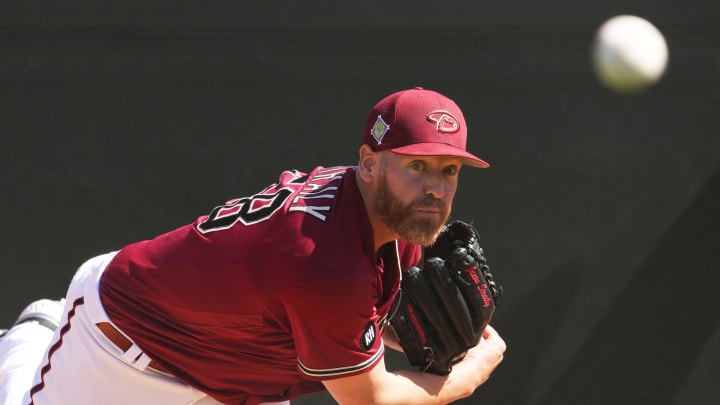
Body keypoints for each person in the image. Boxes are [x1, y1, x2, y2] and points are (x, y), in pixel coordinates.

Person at [0, 87, 506, 405]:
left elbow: (358, 318)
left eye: (449, 170)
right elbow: (370, 398)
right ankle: (32, 335)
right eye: (416, 166)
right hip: (126, 350)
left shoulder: (382, 219)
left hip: (240, 367)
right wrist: (473, 369)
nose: (435, 188)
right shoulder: (324, 265)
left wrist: (412, 337)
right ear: (369, 164)